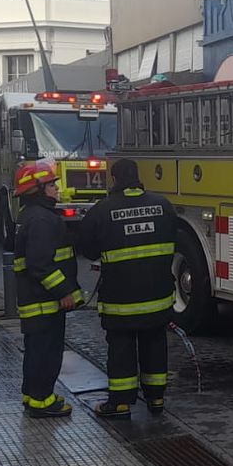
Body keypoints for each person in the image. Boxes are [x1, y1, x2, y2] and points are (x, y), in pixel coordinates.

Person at [75, 159, 177, 419]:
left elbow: (87, 250)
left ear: (114, 179)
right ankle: (156, 399)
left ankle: (120, 403)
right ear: (137, 176)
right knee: (155, 344)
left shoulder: (102, 210)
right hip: (158, 297)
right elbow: (174, 238)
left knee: (121, 348)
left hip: (121, 299)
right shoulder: (163, 205)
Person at [11, 161, 82, 418]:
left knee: (35, 351)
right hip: (45, 301)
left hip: (35, 299)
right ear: (39, 189)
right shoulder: (42, 219)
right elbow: (40, 264)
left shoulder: (31, 215)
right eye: (52, 184)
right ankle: (43, 401)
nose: (57, 188)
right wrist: (64, 292)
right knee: (47, 353)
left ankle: (32, 395)